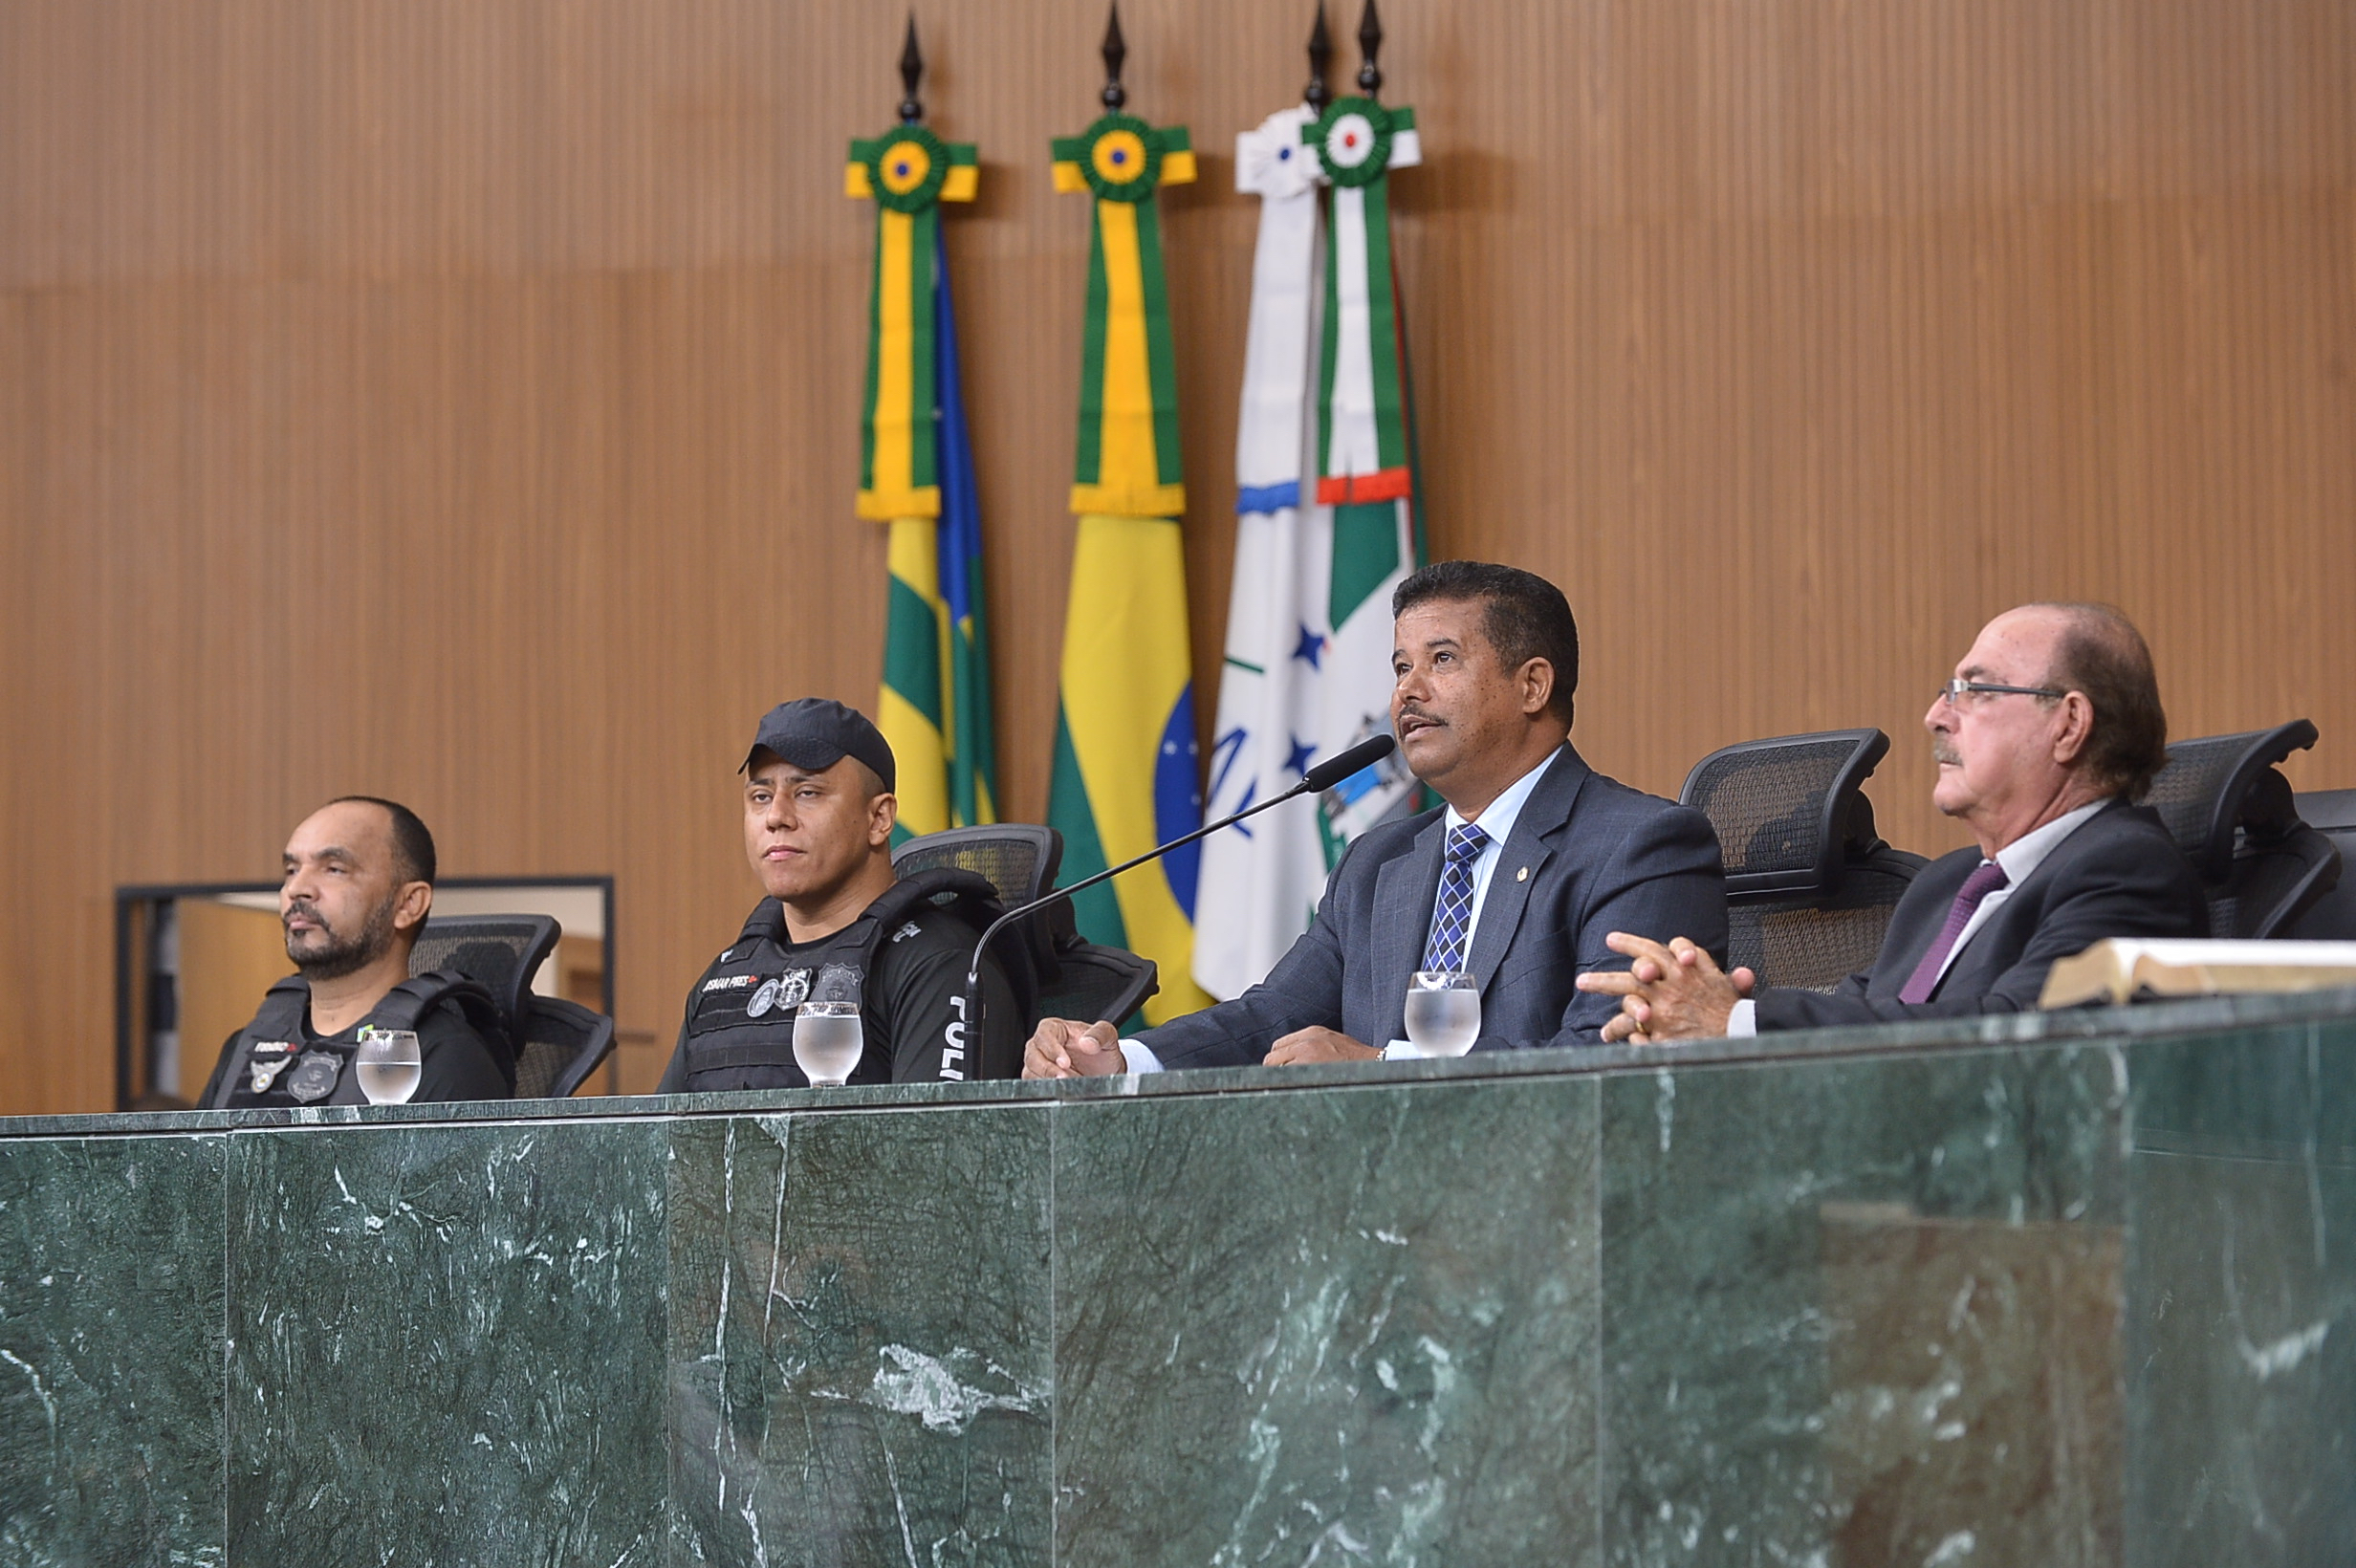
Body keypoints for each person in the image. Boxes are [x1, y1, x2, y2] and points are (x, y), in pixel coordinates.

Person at [1025, 560, 1730, 1077]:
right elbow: (1271, 1018)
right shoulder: (1378, 863)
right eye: (1399, 667)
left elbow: (1607, 1063)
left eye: (1442, 660)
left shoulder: (1640, 846)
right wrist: (1124, 1058)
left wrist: (1378, 1067)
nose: (1407, 693)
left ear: (1533, 685)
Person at [1577, 602, 2209, 1038]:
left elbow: (2015, 1036)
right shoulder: (1950, 882)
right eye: (1947, 690)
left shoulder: (2128, 870)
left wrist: (1737, 1023)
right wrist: (1705, 1013)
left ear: (2068, 725)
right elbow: (1868, 1008)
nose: (1936, 715)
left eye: (1976, 690)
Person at [657, 698, 1024, 1092]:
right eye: (761, 797)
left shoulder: (938, 963)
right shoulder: (723, 980)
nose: (776, 816)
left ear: (879, 818)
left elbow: (934, 1131)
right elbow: (658, 1131)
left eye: (807, 793)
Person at [200, 798, 513, 1107]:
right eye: (292, 870)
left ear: (408, 904)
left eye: (334, 869)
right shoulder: (246, 1047)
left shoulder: (446, 1056)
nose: (297, 889)